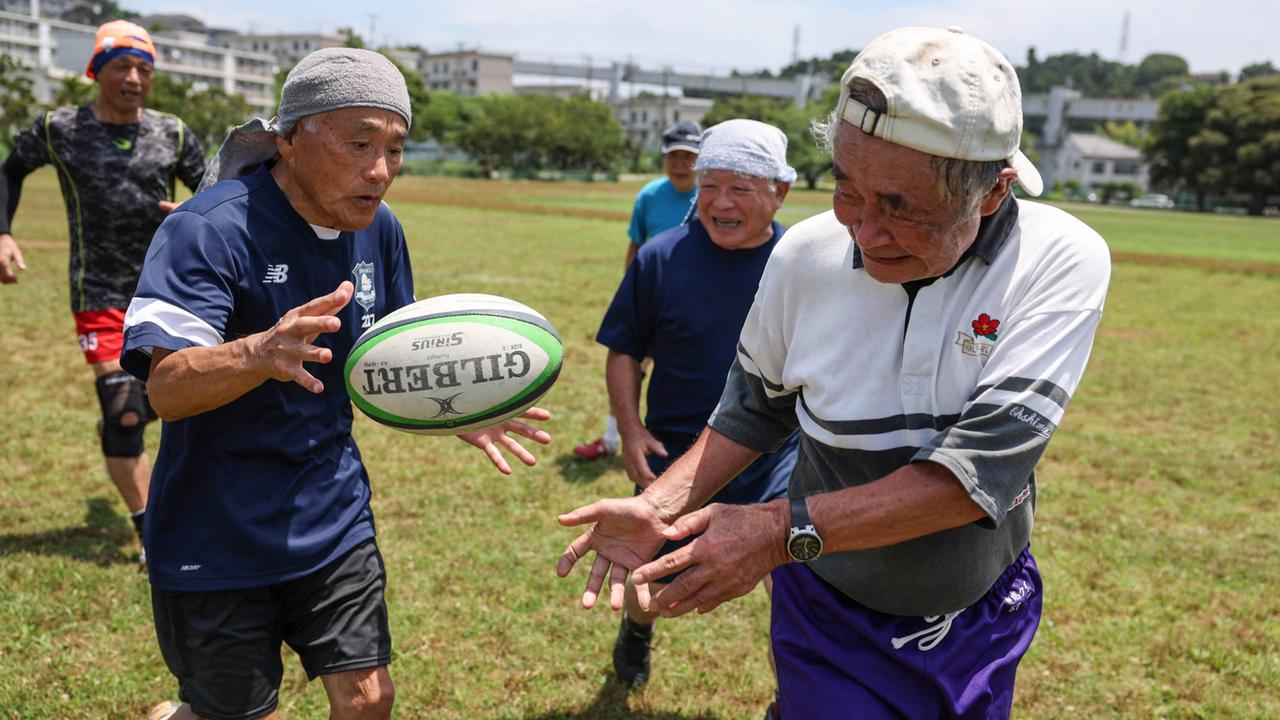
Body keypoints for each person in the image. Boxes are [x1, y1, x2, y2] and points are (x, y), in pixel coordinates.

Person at [557, 25, 1111, 719]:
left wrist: (769, 532)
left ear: (993, 193)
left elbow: (977, 476)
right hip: (828, 605)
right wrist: (659, 505)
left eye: (901, 206)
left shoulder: (1058, 259)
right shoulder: (805, 255)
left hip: (980, 612)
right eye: (848, 190)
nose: (864, 231)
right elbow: (754, 408)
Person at [120, 48, 550, 720]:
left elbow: (388, 359)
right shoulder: (206, 229)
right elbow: (166, 389)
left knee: (369, 698)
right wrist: (260, 351)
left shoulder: (380, 230)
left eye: (394, 148)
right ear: (291, 139)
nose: (379, 171)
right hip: (214, 529)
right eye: (358, 143)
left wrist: (453, 406)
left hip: (331, 515)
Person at [596, 120, 799, 693]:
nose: (721, 202)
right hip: (676, 454)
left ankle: (793, 694)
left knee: (793, 587)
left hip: (775, 456)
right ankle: (636, 633)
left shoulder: (803, 266)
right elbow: (624, 350)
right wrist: (631, 431)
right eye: (710, 186)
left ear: (779, 192)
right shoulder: (661, 259)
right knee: (649, 579)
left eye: (740, 188)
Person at [0, 20, 205, 564]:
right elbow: (9, 170)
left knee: (177, 399)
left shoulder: (173, 133)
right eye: (123, 66)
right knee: (126, 411)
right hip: (98, 292)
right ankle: (149, 530)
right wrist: (2, 232)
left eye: (145, 68)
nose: (135, 77)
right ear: (97, 70)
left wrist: (197, 210)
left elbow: (217, 190)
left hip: (170, 292)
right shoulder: (59, 129)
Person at [573, 120, 701, 460]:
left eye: (688, 156)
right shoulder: (649, 195)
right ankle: (612, 439)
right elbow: (637, 245)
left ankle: (694, 450)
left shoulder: (710, 195)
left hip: (695, 303)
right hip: (654, 300)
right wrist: (632, 293)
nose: (680, 164)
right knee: (628, 368)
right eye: (673, 156)